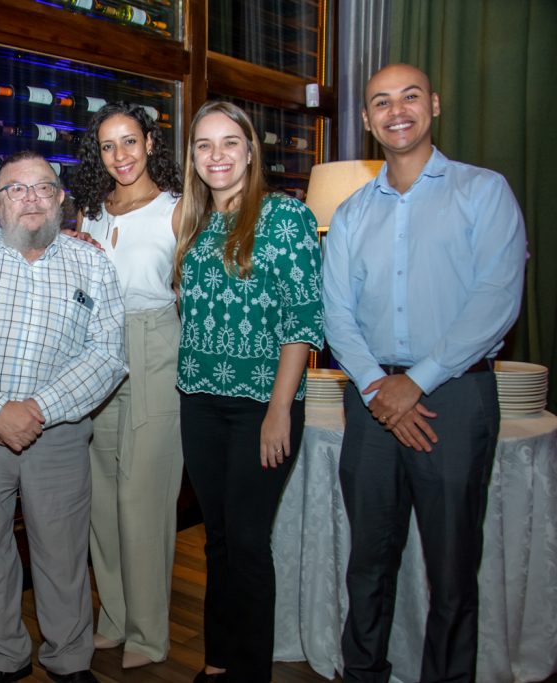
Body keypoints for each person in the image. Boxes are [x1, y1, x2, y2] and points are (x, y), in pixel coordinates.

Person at [322, 63, 526, 683]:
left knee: (453, 567)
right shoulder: (353, 212)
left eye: (409, 96)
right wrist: (380, 388)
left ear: (433, 104)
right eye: (381, 102)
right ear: (366, 120)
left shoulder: (483, 191)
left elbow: (496, 297)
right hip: (370, 397)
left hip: (457, 396)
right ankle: (363, 675)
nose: (396, 110)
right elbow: (336, 312)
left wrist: (421, 379)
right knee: (369, 564)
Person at [0, 150, 127, 683]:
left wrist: (38, 409)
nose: (32, 197)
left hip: (57, 434)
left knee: (61, 553)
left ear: (61, 199)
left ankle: (69, 658)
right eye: (17, 189)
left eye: (44, 187)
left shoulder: (93, 262)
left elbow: (107, 356)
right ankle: (4, 658)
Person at [174, 101, 323, 683]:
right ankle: (218, 660)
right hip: (199, 402)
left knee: (249, 542)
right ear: (193, 157)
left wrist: (279, 409)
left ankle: (250, 672)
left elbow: (303, 323)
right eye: (204, 145)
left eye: (229, 143)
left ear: (250, 151)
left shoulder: (286, 218)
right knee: (218, 539)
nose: (216, 156)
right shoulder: (192, 223)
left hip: (263, 404)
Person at [67, 102, 183, 669]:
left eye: (130, 142)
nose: (121, 156)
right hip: (98, 353)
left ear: (150, 143)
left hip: (156, 345)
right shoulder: (90, 211)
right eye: (109, 146)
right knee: (103, 500)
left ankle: (148, 633)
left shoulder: (179, 211)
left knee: (144, 499)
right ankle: (112, 617)